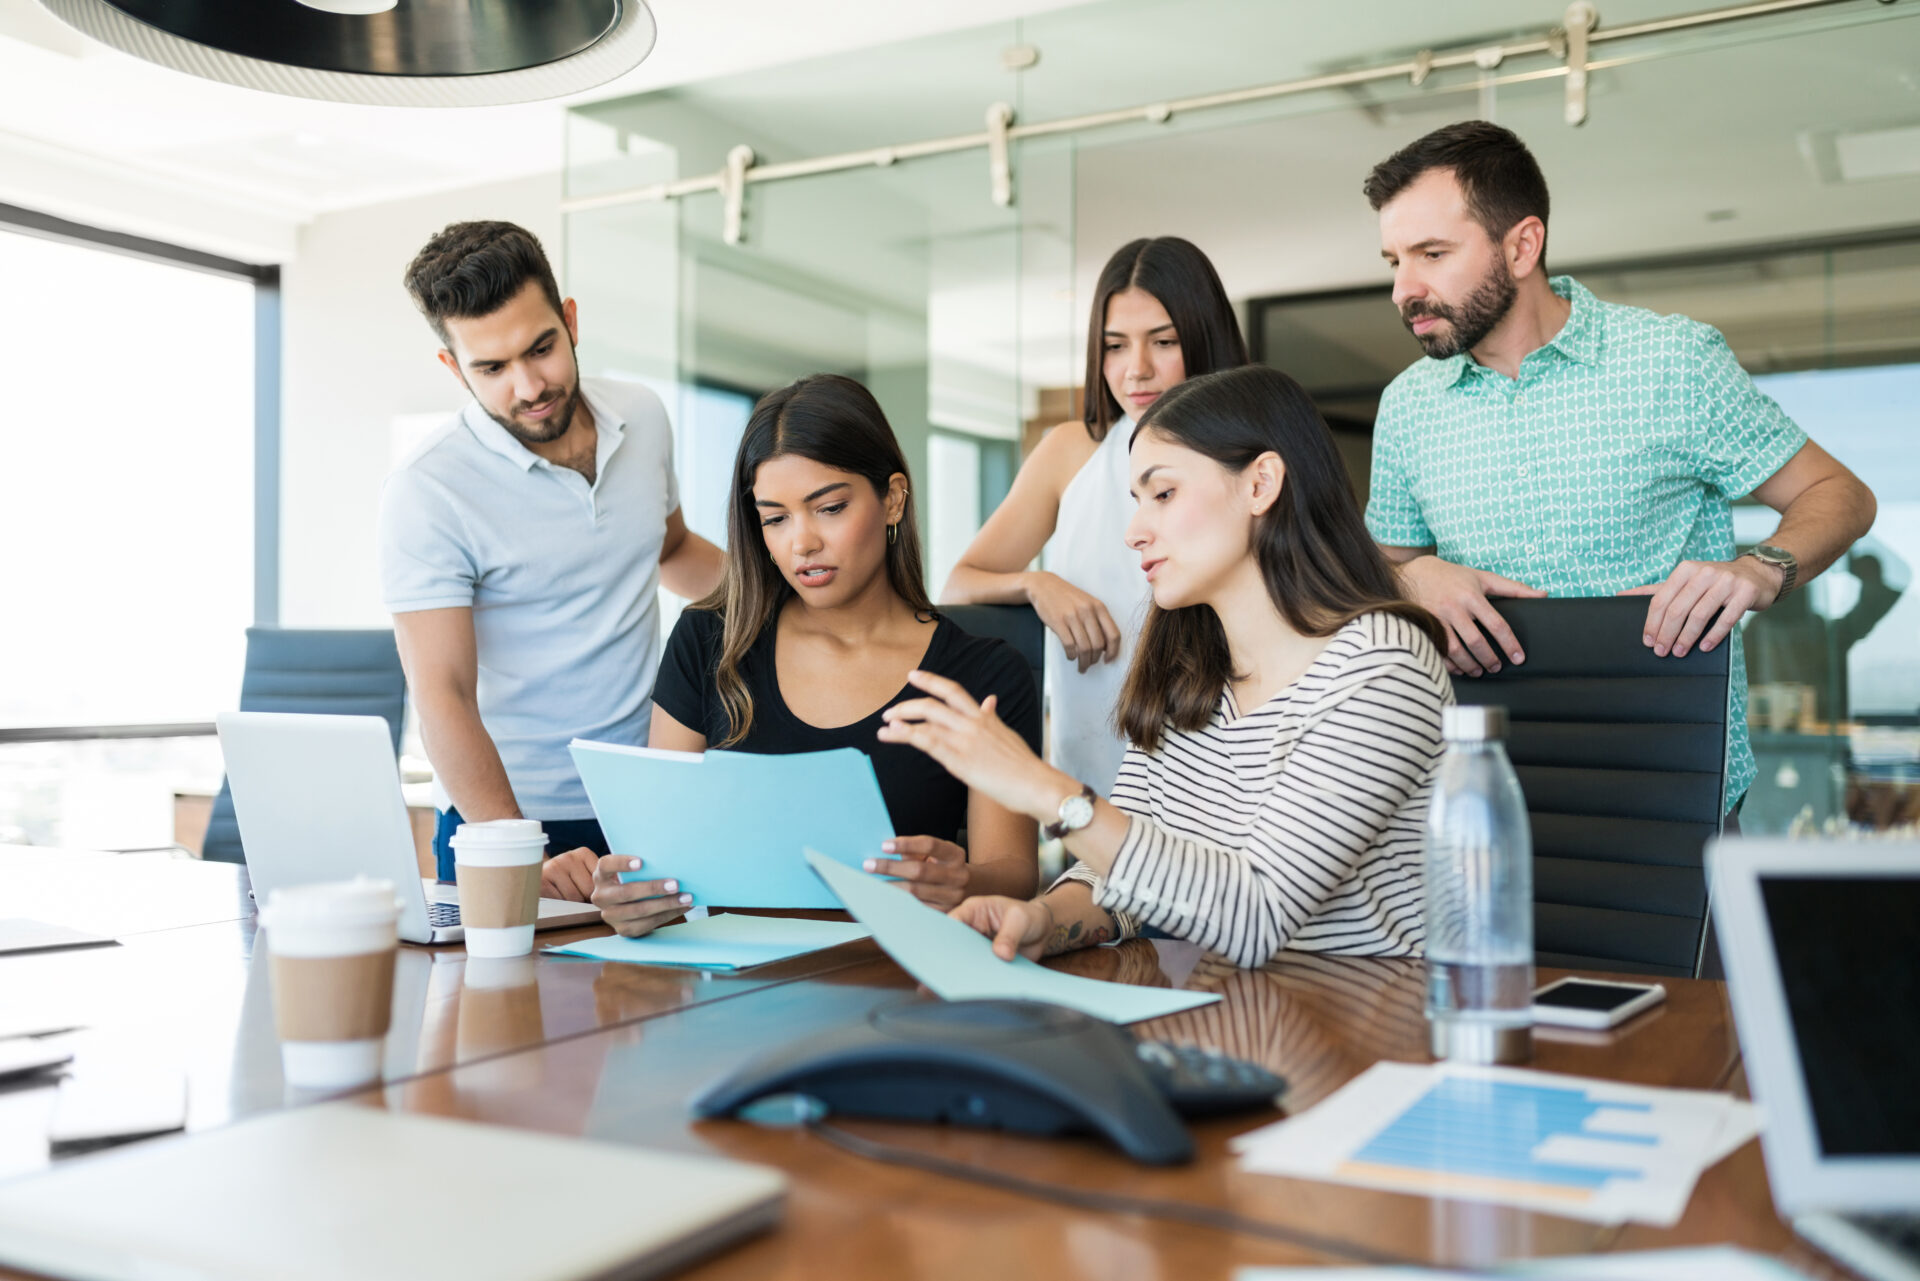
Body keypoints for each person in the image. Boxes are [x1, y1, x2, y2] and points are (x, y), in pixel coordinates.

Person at [1361, 121, 1876, 817]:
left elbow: (1838, 492)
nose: (1403, 290)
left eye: (1431, 253)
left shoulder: (1671, 362)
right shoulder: (1406, 406)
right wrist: (1409, 575)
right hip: (1478, 781)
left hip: (1670, 771)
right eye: (1394, 260)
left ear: (1521, 245)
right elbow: (1380, 572)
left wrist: (1760, 570)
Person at [879, 365, 1453, 969]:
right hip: (1236, 1019)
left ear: (1260, 484)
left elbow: (1257, 914)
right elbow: (1127, 874)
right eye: (1136, 501)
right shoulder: (1193, 672)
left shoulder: (1383, 666)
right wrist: (1043, 920)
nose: (1134, 532)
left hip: (1375, 1027)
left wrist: (1041, 788)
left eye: (1164, 493)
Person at [588, 374, 1042, 938]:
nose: (801, 543)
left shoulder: (983, 673)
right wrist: (634, 895)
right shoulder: (709, 640)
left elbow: (1016, 873)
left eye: (828, 508)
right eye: (775, 518)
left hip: (897, 979)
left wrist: (963, 882)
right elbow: (657, 853)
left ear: (893, 498)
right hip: (736, 989)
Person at [380, 221, 723, 899]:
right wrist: (514, 846)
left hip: (645, 805)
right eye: (493, 368)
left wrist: (794, 600)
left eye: (541, 348)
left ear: (570, 321)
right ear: (454, 367)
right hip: (508, 817)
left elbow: (673, 549)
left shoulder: (642, 415)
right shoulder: (429, 489)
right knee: (504, 1008)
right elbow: (443, 693)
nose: (530, 384)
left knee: (659, 1004)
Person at [940, 237, 1249, 794]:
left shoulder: (1251, 459)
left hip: (1221, 767)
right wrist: (1037, 583)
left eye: (1164, 341)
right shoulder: (1071, 451)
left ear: (1204, 339)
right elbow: (960, 584)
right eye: (1114, 346)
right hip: (1092, 769)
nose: (1137, 369)